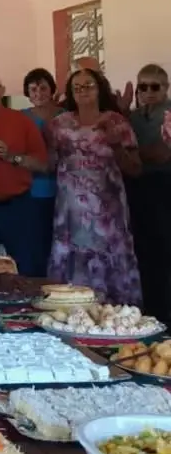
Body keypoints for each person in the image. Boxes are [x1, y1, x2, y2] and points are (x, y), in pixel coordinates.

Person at [46, 69, 141, 303]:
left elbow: (136, 168)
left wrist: (116, 145)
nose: (83, 91)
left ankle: (116, 318)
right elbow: (47, 164)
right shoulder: (58, 124)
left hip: (107, 208)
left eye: (88, 85)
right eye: (77, 87)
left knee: (110, 257)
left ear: (99, 88)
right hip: (71, 211)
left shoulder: (116, 121)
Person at [0, 69, 49, 276]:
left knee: (27, 267)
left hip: (19, 207)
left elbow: (43, 164)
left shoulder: (21, 121)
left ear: (2, 91)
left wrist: (13, 157)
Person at [125, 64, 171, 323]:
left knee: (164, 254)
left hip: (164, 185)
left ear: (165, 88)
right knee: (142, 252)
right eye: (144, 86)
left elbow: (162, 154)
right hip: (138, 188)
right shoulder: (133, 116)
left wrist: (132, 154)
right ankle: (151, 314)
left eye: (155, 86)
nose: (149, 92)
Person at [23, 66, 61, 274]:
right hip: (32, 189)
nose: (38, 94)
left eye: (43, 88)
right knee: (36, 242)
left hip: (64, 188)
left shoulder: (65, 115)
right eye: (33, 89)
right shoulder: (21, 118)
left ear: (52, 89)